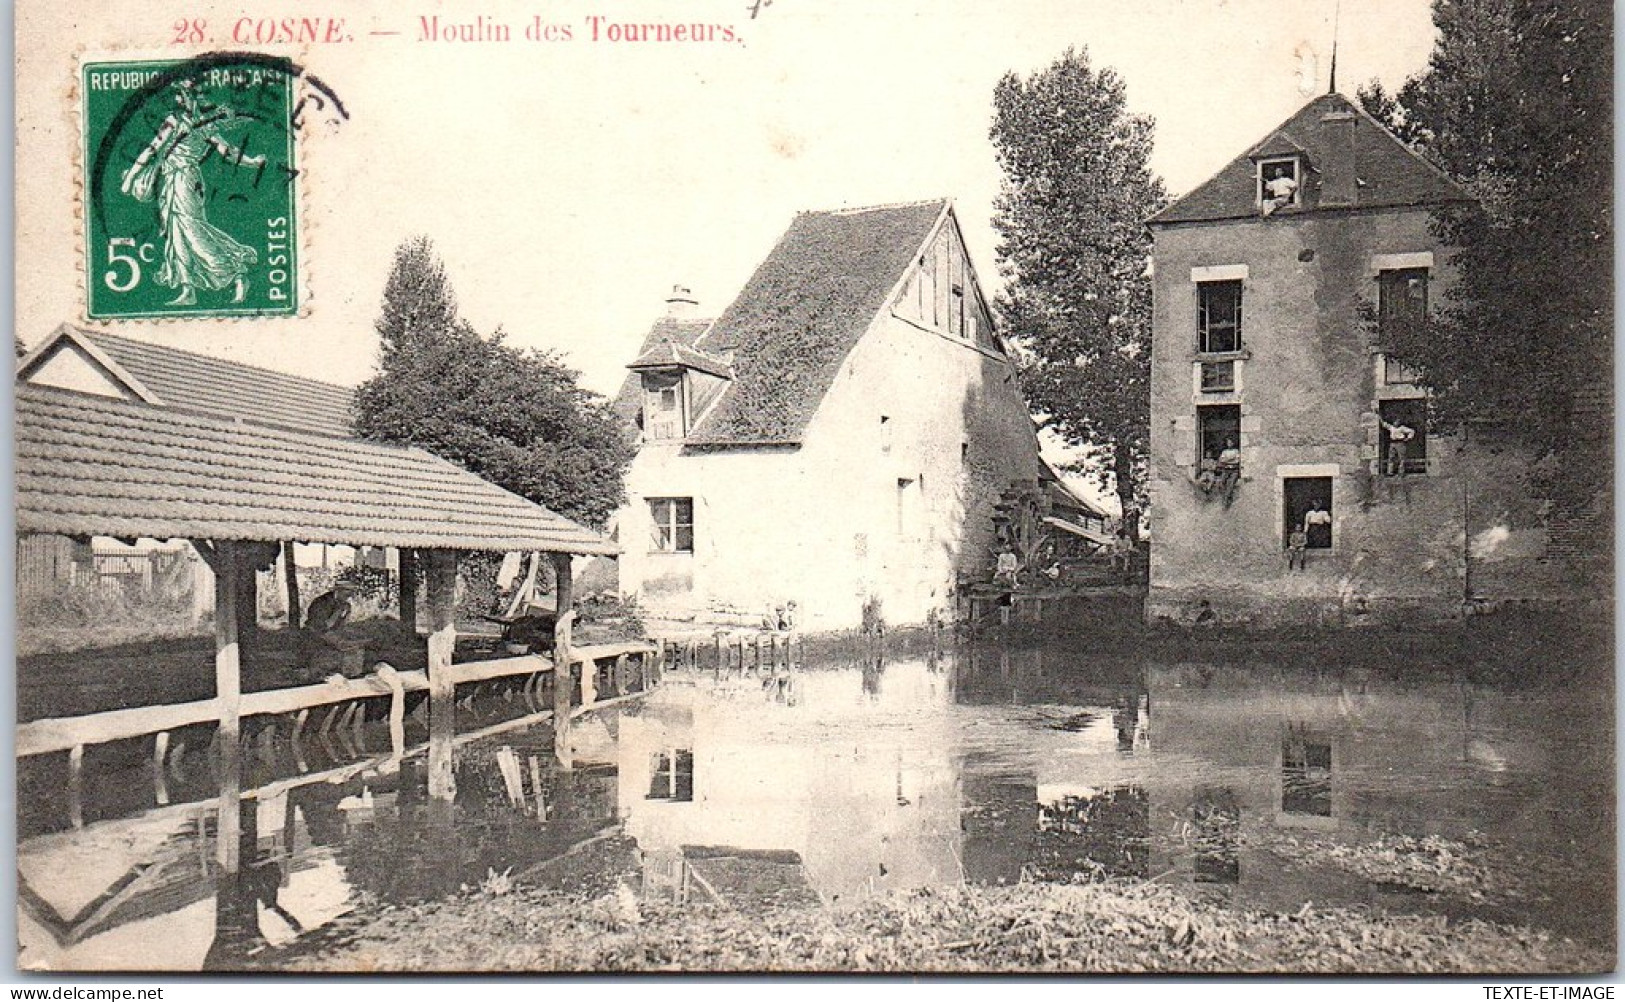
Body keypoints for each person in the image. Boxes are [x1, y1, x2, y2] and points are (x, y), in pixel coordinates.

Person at [120, 79, 264, 306]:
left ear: (189, 97)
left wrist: (130, 178)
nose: (177, 99)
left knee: (191, 230)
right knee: (177, 234)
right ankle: (188, 290)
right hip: (172, 180)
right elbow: (227, 152)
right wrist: (252, 162)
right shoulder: (198, 123)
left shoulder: (187, 122)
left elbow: (153, 150)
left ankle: (236, 273)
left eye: (181, 94)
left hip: (185, 179)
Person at [1215, 438, 1242, 508]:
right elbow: (1221, 460)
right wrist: (1230, 460)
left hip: (1234, 470)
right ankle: (1224, 497)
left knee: (1231, 483)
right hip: (1226, 470)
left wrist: (1227, 460)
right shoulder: (1224, 451)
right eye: (1228, 442)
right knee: (1221, 482)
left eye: (1230, 442)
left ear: (1233, 443)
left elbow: (1237, 461)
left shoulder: (1236, 451)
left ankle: (1227, 500)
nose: (1229, 444)